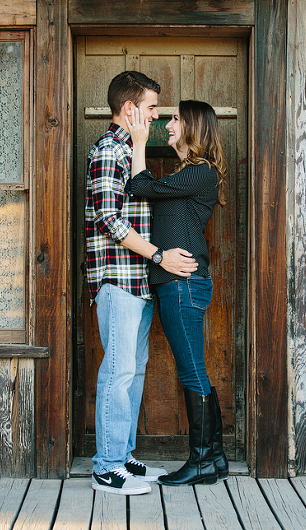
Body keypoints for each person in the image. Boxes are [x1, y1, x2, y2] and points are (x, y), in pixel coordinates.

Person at [84, 70, 197, 495]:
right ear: (129, 108)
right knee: (118, 372)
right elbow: (109, 219)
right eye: (151, 108)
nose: (155, 117)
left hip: (138, 281)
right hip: (116, 276)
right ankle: (106, 468)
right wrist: (158, 255)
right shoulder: (107, 152)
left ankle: (123, 457)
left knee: (132, 371)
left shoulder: (129, 151)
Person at [125, 100, 229, 486]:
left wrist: (138, 142)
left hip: (182, 285)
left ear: (192, 128)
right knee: (195, 369)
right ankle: (214, 457)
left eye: (174, 120)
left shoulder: (200, 172)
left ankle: (202, 461)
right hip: (180, 285)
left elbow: (139, 186)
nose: (167, 125)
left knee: (192, 371)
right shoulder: (190, 173)